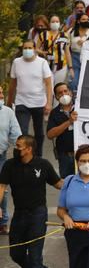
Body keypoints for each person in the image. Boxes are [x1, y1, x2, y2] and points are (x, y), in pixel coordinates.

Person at [0, 135, 63, 267]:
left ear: (29, 149)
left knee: (35, 257)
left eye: (18, 146)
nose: (15, 149)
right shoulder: (9, 165)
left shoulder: (43, 164)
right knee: (16, 254)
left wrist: (78, 183)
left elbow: (58, 184)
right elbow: (1, 187)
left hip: (38, 215)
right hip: (19, 214)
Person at [7, 40, 53, 157]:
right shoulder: (17, 62)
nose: (27, 50)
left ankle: (38, 156)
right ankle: (22, 155)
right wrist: (9, 102)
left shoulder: (42, 63)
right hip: (21, 102)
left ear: (34, 49)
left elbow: (48, 83)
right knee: (22, 132)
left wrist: (49, 103)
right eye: (25, 48)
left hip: (38, 102)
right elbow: (13, 83)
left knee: (39, 132)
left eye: (29, 48)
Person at [0, 85, 22, 234]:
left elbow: (16, 135)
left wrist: (23, 150)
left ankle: (3, 222)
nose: (1, 96)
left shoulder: (7, 112)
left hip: (1, 156)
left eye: (1, 93)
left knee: (2, 189)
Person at [47, 82, 77, 177]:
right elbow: (50, 134)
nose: (64, 94)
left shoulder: (80, 108)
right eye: (60, 93)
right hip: (65, 156)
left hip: (83, 154)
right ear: (56, 97)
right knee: (66, 184)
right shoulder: (54, 113)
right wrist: (69, 122)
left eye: (65, 91)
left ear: (71, 93)